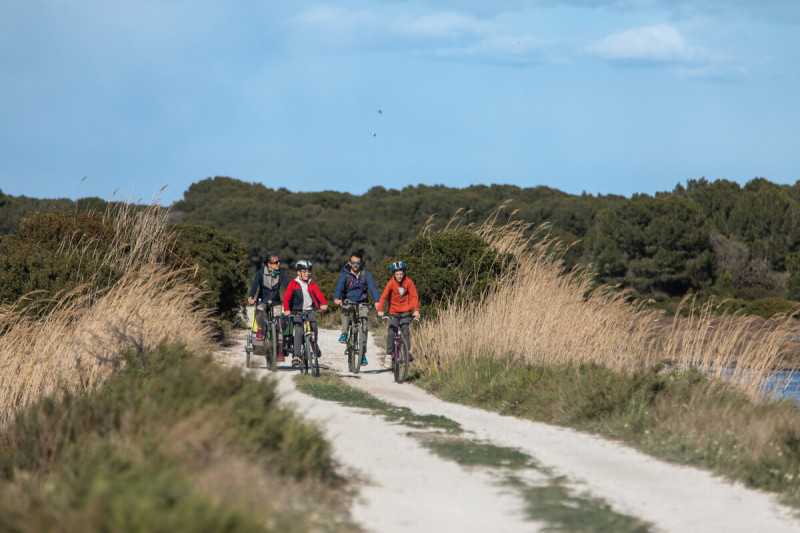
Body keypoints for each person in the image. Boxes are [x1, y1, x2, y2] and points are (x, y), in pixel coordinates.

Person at [333, 252, 381, 366]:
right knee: (345, 311)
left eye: (357, 263)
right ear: (350, 263)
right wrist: (337, 298)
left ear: (361, 263)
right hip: (348, 300)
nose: (355, 265)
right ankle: (344, 333)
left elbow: (373, 287)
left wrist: (377, 301)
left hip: (362, 302)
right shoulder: (345, 275)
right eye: (353, 262)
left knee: (364, 327)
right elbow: (339, 286)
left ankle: (362, 354)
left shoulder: (366, 274)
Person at [283, 260, 329, 367]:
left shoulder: (311, 283)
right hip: (296, 312)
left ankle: (314, 345)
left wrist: (324, 303)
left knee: (314, 326)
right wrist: (286, 309)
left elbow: (319, 294)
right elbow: (286, 298)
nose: (307, 274)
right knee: (298, 330)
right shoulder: (293, 284)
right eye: (304, 272)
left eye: (308, 272)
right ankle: (297, 355)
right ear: (298, 272)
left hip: (309, 310)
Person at [377, 261, 420, 366]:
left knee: (406, 330)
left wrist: (416, 310)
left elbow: (414, 296)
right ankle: (388, 355)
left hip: (406, 310)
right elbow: (383, 296)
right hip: (394, 311)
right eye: (397, 274)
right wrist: (380, 310)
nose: (399, 276)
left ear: (404, 273)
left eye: (401, 274)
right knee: (391, 331)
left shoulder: (408, 282)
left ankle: (407, 352)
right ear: (393, 274)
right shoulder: (391, 283)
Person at [248, 253, 290, 360]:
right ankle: (261, 330)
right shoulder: (260, 273)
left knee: (279, 323)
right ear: (269, 264)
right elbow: (254, 286)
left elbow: (287, 285)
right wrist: (251, 297)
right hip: (262, 300)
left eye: (278, 261)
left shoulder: (280, 273)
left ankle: (279, 350)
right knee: (259, 311)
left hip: (276, 301)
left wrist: (291, 296)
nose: (278, 264)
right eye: (276, 262)